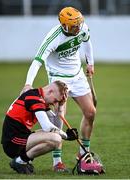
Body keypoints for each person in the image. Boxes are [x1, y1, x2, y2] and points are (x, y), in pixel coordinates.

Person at [22, 6, 96, 172]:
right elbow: (37, 61)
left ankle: (83, 152)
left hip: (77, 76)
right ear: (65, 26)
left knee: (91, 112)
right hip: (59, 79)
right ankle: (57, 161)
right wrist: (28, 83)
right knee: (59, 119)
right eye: (74, 26)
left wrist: (90, 62)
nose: (78, 28)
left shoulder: (81, 27)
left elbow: (87, 41)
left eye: (79, 24)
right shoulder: (53, 38)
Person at [1, 81, 78, 174]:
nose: (55, 104)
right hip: (12, 142)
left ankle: (23, 160)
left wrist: (61, 107)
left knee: (56, 137)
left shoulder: (39, 97)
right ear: (50, 91)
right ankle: (20, 161)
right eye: (56, 100)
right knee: (56, 138)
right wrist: (66, 136)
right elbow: (48, 127)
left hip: (21, 137)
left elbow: (56, 125)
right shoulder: (34, 98)